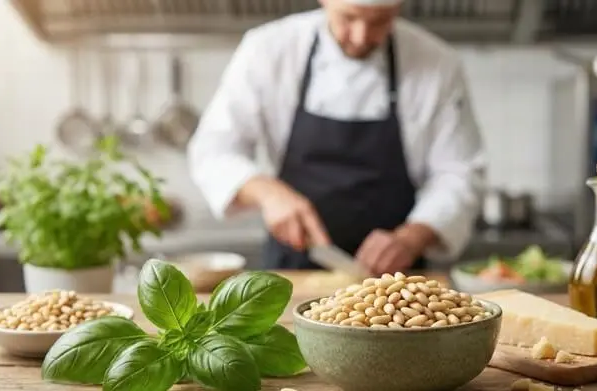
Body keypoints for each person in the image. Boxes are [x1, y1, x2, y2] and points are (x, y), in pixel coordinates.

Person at [187, 0, 485, 275]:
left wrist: (412, 236)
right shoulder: (268, 49)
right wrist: (268, 192)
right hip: (292, 269)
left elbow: (459, 173)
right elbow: (214, 150)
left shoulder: (437, 63)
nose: (360, 36)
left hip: (395, 282)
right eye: (349, 18)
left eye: (379, 22)